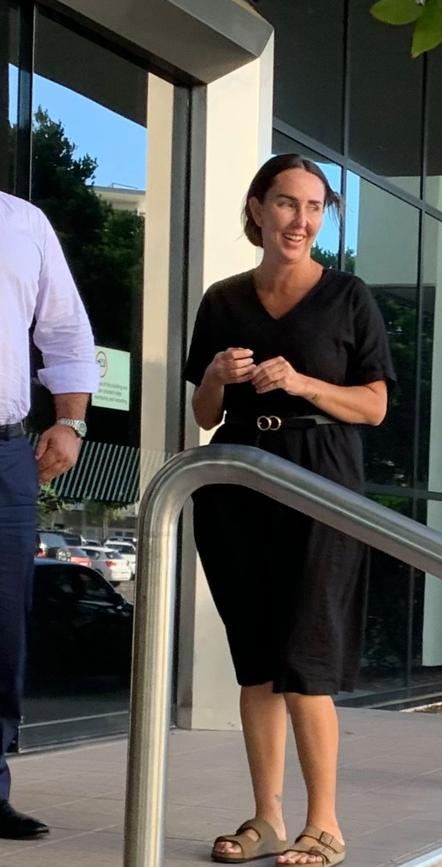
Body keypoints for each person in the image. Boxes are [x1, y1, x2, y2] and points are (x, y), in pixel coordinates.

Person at [184, 153, 395, 866]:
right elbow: (205, 413)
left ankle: (325, 822)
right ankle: (268, 817)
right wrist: (214, 374)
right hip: (238, 477)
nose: (301, 220)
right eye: (286, 204)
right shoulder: (223, 299)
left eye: (314, 208)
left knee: (308, 654)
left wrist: (303, 383)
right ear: (256, 208)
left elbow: (374, 405)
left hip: (321, 474)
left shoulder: (348, 297)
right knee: (258, 663)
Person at [0, 190, 98, 838]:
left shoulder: (21, 222)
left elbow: (64, 330)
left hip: (4, 454)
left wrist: (69, 419)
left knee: (2, 627)